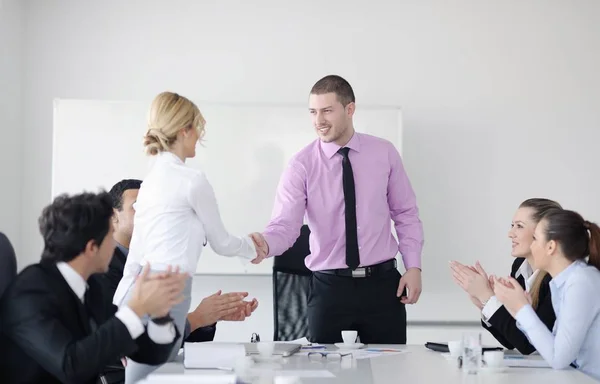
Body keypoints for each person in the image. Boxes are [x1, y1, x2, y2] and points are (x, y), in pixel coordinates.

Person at [250, 75, 424, 344]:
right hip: (329, 288)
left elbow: (405, 213)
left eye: (327, 111)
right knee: (323, 373)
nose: (318, 121)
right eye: (313, 112)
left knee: (389, 372)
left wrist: (413, 267)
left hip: (382, 285)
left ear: (349, 109)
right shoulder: (301, 165)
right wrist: (265, 244)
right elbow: (285, 225)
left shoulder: (384, 153)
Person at [112, 92, 261, 383]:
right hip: (168, 295)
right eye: (198, 128)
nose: (200, 136)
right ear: (184, 130)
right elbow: (222, 242)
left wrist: (120, 320)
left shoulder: (152, 182)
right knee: (153, 378)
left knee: (145, 378)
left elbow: (134, 261)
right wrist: (253, 248)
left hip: (142, 293)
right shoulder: (192, 181)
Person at [0, 192, 186, 384]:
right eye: (110, 237)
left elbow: (151, 355)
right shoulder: (29, 293)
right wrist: (135, 310)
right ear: (91, 248)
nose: (114, 246)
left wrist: (160, 315)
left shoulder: (93, 288)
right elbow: (70, 366)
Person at [104, 179, 258, 345]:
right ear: (113, 217)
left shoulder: (155, 262)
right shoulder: (100, 268)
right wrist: (197, 318)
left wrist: (209, 318)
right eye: (136, 207)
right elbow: (126, 339)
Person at [494, 208, 600, 380]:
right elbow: (554, 345)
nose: (532, 245)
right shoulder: (564, 282)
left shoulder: (581, 282)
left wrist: (522, 309)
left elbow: (559, 359)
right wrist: (519, 309)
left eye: (535, 239)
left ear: (551, 246)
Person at [449, 198, 560, 354]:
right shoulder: (520, 266)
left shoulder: (557, 277)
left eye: (519, 226)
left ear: (542, 234)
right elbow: (511, 341)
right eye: (512, 226)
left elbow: (527, 345)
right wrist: (485, 303)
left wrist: (487, 297)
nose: (510, 234)